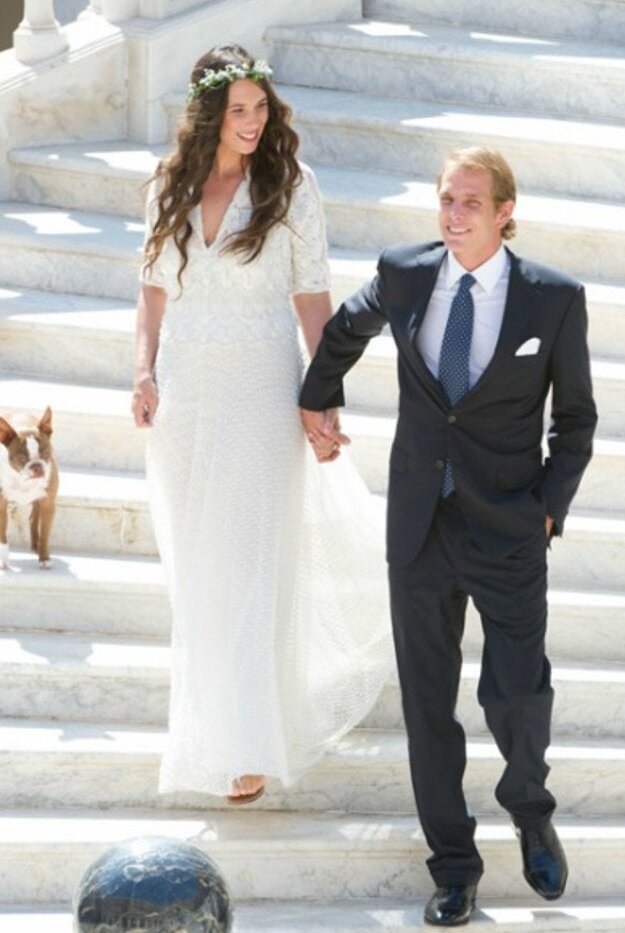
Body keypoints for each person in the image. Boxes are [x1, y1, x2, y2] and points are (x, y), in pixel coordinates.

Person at [300, 146, 597, 925]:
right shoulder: (405, 273)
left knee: (516, 692)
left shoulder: (552, 299)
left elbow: (575, 421)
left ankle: (529, 807)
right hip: (420, 527)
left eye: (471, 203)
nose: (454, 216)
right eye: (445, 200)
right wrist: (316, 398)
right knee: (428, 706)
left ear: (504, 211)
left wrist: (547, 506)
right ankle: (454, 869)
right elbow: (344, 328)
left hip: (507, 526)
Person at [132, 44, 392, 805]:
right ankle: (217, 730)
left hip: (258, 389)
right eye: (238, 110)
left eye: (260, 108)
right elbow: (151, 289)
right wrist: (143, 371)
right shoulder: (167, 184)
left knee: (249, 565)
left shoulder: (292, 187)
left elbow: (312, 298)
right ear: (209, 114)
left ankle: (248, 748)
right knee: (203, 572)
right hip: (186, 395)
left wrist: (324, 396)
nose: (253, 122)